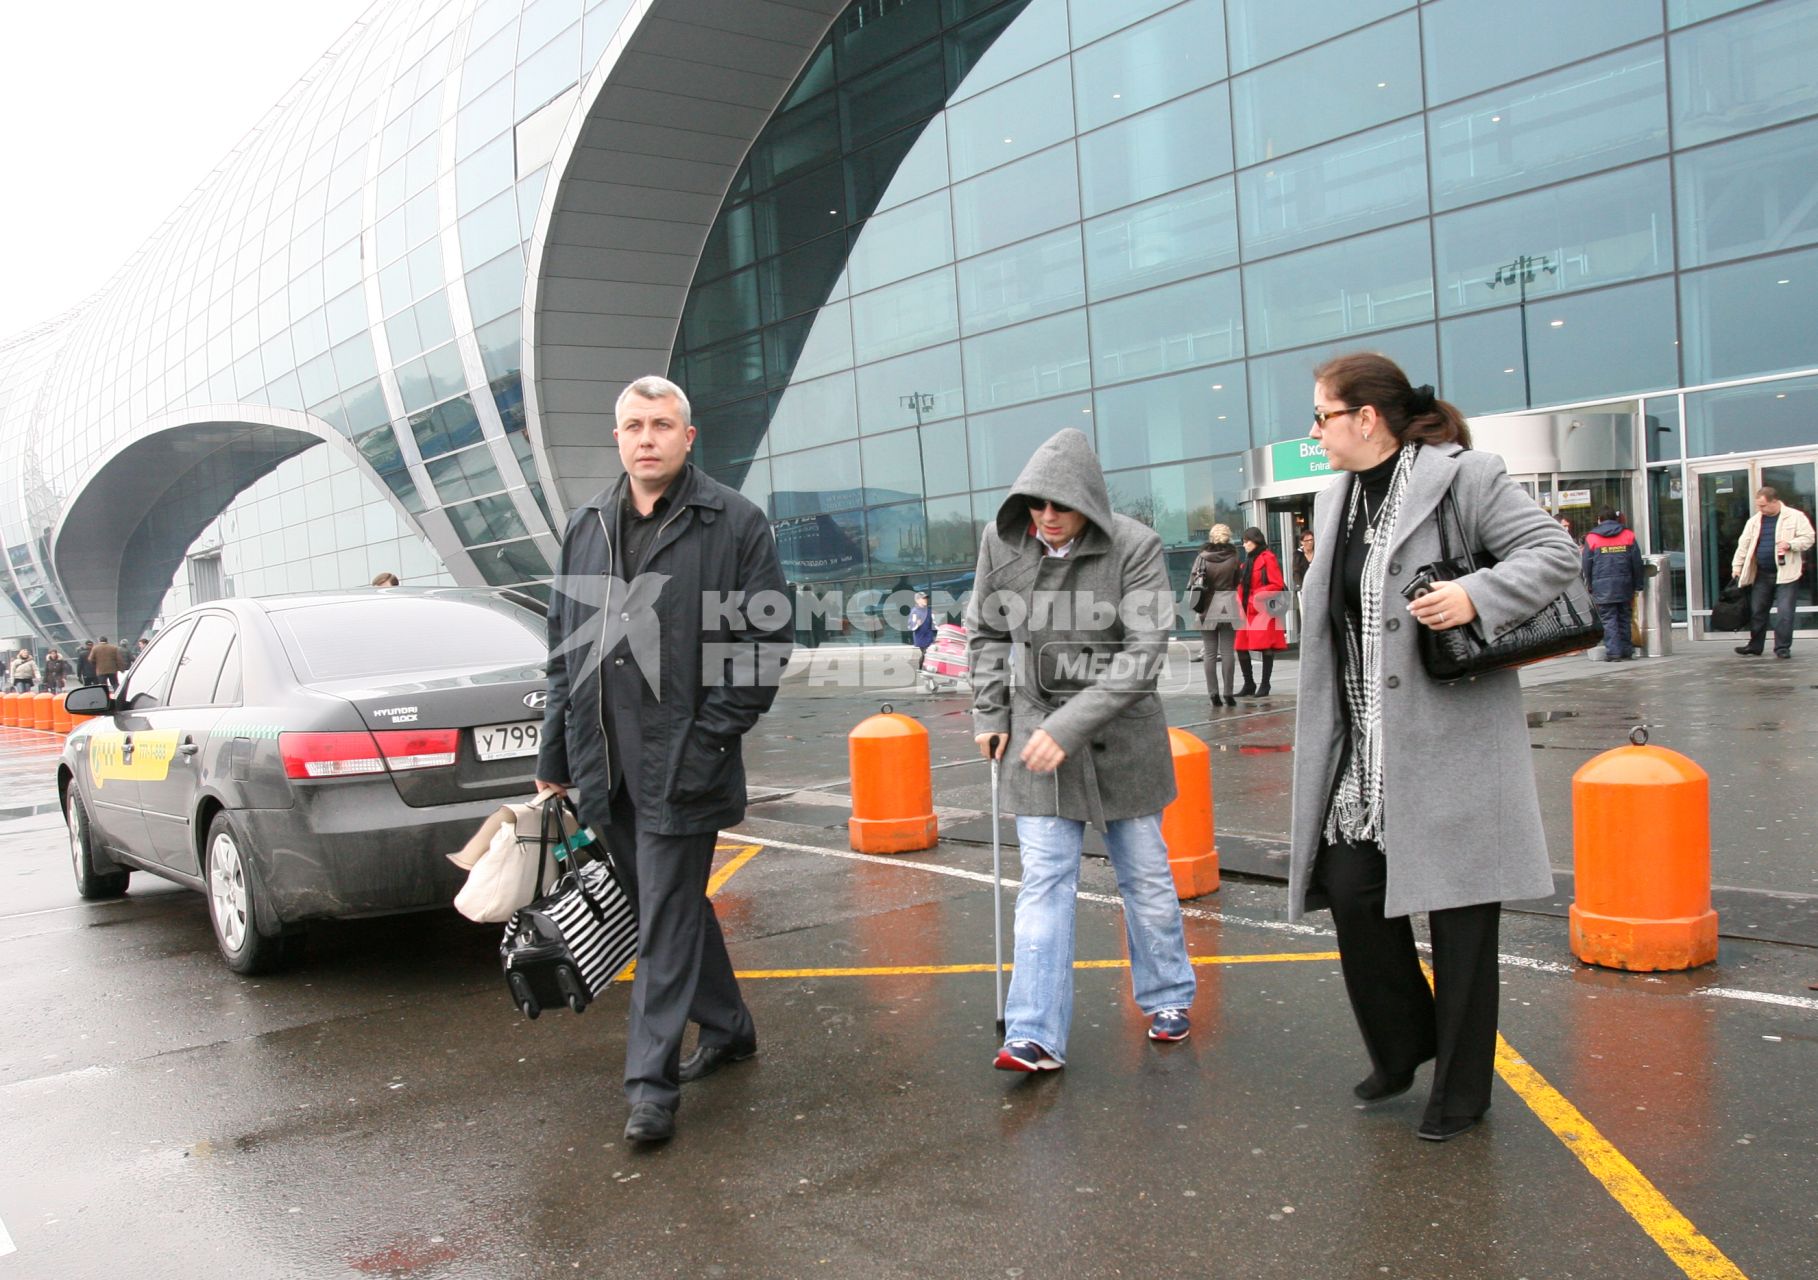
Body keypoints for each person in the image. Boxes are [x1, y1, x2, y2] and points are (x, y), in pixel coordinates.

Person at [1288, 352, 1577, 1142]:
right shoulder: (1335, 495)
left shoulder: (1465, 476)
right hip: (1365, 751)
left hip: (1451, 740)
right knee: (1350, 891)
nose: (1314, 432)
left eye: (1322, 416)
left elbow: (1555, 555)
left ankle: (1461, 1090)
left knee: (1460, 927)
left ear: (1365, 419)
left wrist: (1473, 594)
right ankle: (1405, 1042)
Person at [534, 374, 790, 1145]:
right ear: (618, 439)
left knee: (665, 921)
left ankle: (650, 1087)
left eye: (661, 424)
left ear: (689, 436)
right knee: (665, 909)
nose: (647, 437)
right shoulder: (586, 527)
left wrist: (710, 740)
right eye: (634, 425)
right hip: (602, 767)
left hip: (685, 764)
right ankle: (730, 1026)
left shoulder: (736, 524)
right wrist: (555, 754)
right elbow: (561, 653)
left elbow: (765, 646)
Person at [967, 427, 1196, 1073]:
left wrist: (1066, 727)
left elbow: (1144, 653)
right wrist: (989, 708)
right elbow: (984, 631)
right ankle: (1033, 1033)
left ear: (1089, 503)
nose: (1046, 518)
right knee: (1044, 881)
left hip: (1119, 734)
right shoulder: (999, 542)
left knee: (1145, 876)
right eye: (1035, 505)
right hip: (1034, 731)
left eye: (1059, 506)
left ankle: (1169, 996)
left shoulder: (1135, 545)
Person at [1730, 485, 1813, 660]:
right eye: (1758, 506)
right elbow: (1743, 545)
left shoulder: (1795, 517)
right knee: (1757, 610)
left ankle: (1782, 648)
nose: (1760, 509)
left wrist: (1790, 545)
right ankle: (1755, 646)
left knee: (1785, 612)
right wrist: (1736, 567)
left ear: (1775, 502)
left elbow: (1808, 538)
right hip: (1762, 573)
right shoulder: (1754, 521)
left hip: (1787, 573)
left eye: (1763, 506)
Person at [1190, 524, 1244, 707]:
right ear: (1228, 537)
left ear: (1211, 537)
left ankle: (1213, 693)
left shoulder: (1202, 557)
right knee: (1228, 651)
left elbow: (1192, 582)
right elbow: (1238, 580)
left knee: (1210, 652)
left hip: (1206, 605)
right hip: (1228, 603)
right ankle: (1229, 693)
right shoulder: (1234, 557)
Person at [1582, 507, 1643, 661]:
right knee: (1624, 617)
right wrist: (1638, 584)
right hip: (1625, 584)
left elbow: (1587, 565)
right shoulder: (1628, 535)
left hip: (1602, 586)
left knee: (1609, 619)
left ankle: (1614, 653)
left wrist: (1589, 584)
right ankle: (1626, 651)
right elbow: (1636, 562)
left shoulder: (1592, 538)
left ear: (1599, 519)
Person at [1235, 526, 1286, 697]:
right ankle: (1249, 683)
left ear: (1256, 540)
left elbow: (1277, 584)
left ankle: (1265, 684)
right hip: (1246, 609)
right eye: (1243, 541)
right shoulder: (1247, 562)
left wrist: (1256, 596)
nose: (1244, 545)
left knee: (1266, 647)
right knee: (1240, 646)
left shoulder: (1268, 558)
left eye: (1247, 541)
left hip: (1262, 609)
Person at [908, 591, 935, 668]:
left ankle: (924, 668)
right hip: (921, 637)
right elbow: (911, 626)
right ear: (917, 600)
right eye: (923, 598)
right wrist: (917, 624)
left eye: (926, 598)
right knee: (926, 653)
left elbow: (933, 623)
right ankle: (921, 668)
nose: (925, 600)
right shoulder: (914, 612)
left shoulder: (929, 611)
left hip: (929, 636)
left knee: (927, 653)